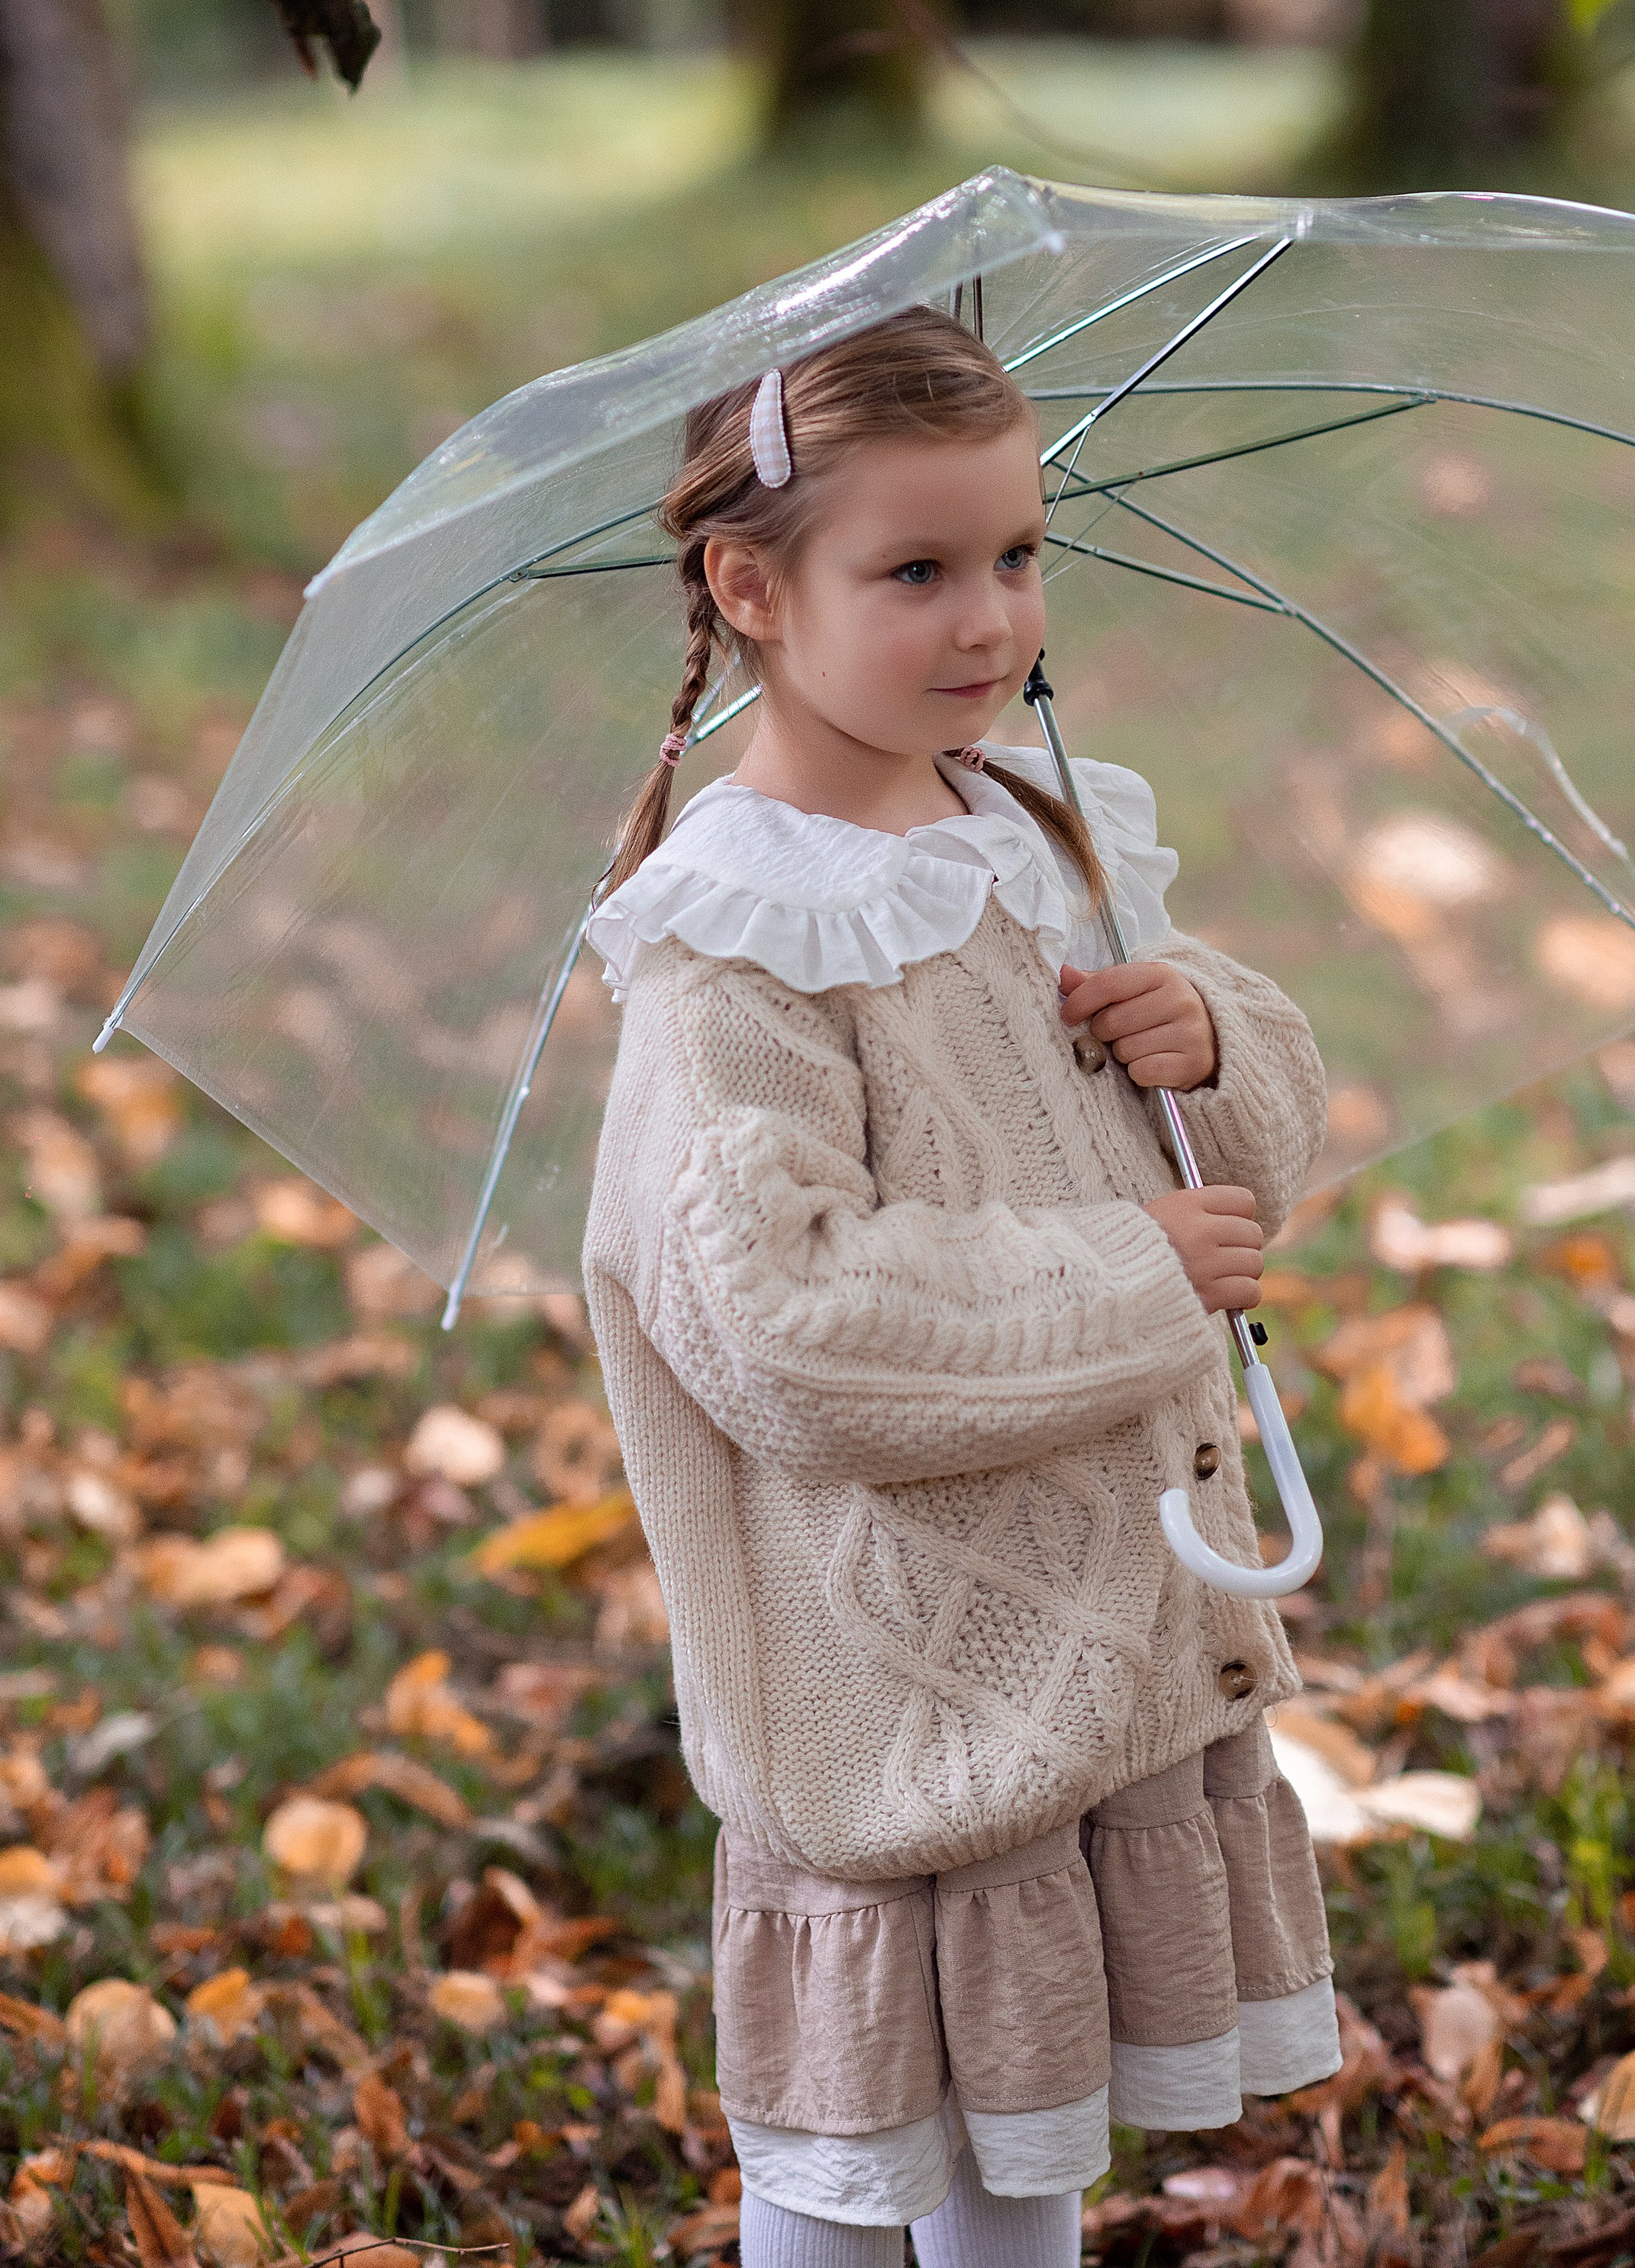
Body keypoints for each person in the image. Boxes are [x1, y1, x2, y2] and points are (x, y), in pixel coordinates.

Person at [580, 307, 1337, 2268]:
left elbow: (1228, 1163)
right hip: (902, 1682)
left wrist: (1207, 1039)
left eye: (1015, 553)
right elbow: (779, 1323)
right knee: (867, 2170)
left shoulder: (1022, 821)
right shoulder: (733, 941)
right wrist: (1124, 1272)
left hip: (1096, 1626)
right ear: (751, 585)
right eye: (913, 570)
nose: (986, 616)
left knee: (1025, 2153)